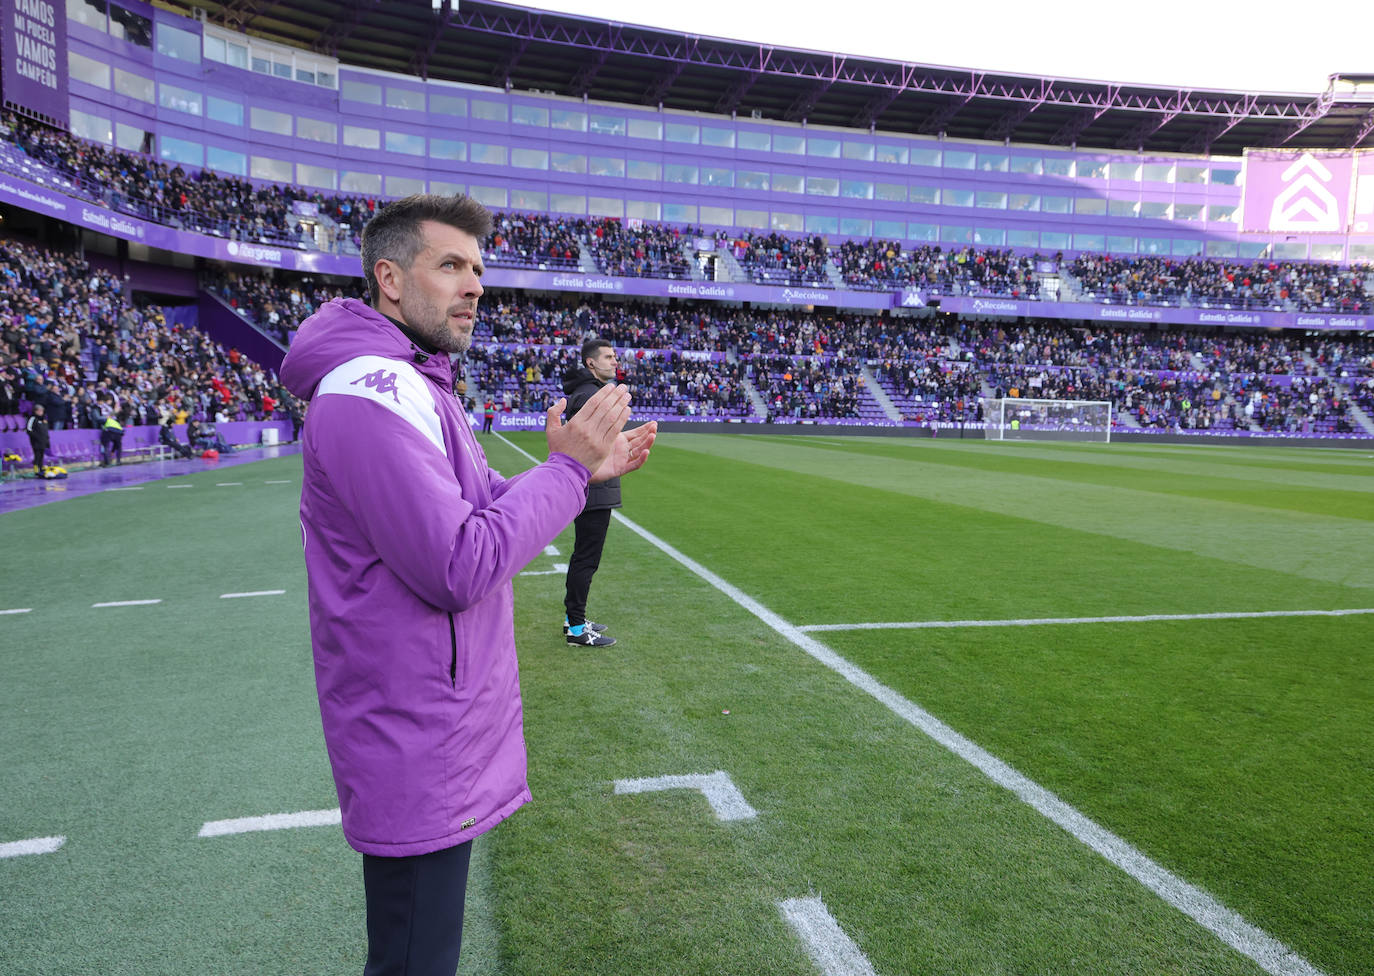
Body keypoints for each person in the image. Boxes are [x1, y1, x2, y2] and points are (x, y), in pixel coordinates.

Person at [278, 193, 655, 976]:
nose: (475, 285)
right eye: (450, 265)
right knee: (416, 961)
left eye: (478, 268)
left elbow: (487, 505)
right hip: (413, 731)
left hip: (433, 725)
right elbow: (459, 564)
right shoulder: (369, 391)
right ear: (389, 278)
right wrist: (565, 468)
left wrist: (582, 474)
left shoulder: (416, 380)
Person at [561, 338, 625, 647]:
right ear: (591, 363)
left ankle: (572, 619)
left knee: (583, 557)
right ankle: (576, 628)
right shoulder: (590, 395)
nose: (615, 362)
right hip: (594, 486)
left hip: (595, 485)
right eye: (609, 357)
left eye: (615, 357)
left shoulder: (590, 393)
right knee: (586, 558)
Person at [26, 403, 49, 477]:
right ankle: (36, 469)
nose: (40, 412)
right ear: (35, 411)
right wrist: (36, 437)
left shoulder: (44, 420)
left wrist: (47, 439)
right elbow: (29, 429)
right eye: (39, 411)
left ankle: (41, 467)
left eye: (41, 411)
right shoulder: (33, 418)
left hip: (43, 441)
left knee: (42, 454)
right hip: (36, 441)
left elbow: (45, 431)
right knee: (37, 454)